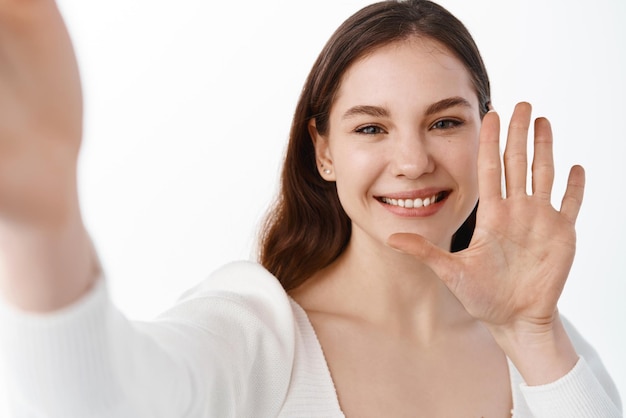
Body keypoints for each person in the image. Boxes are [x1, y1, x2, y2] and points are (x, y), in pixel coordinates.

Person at [0, 0, 622, 416]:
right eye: (371, 129)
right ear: (322, 151)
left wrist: (531, 336)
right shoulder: (257, 336)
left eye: (444, 122)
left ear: (483, 135)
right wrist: (44, 222)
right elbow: (99, 401)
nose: (411, 161)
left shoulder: (543, 343)